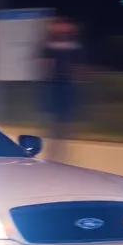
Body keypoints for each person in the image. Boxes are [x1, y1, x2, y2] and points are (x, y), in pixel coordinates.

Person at [40, 17, 86, 154]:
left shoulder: (73, 46)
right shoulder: (50, 46)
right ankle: (54, 132)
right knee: (54, 118)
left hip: (65, 83)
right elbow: (45, 63)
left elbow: (78, 64)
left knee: (62, 118)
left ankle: (61, 131)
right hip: (55, 84)